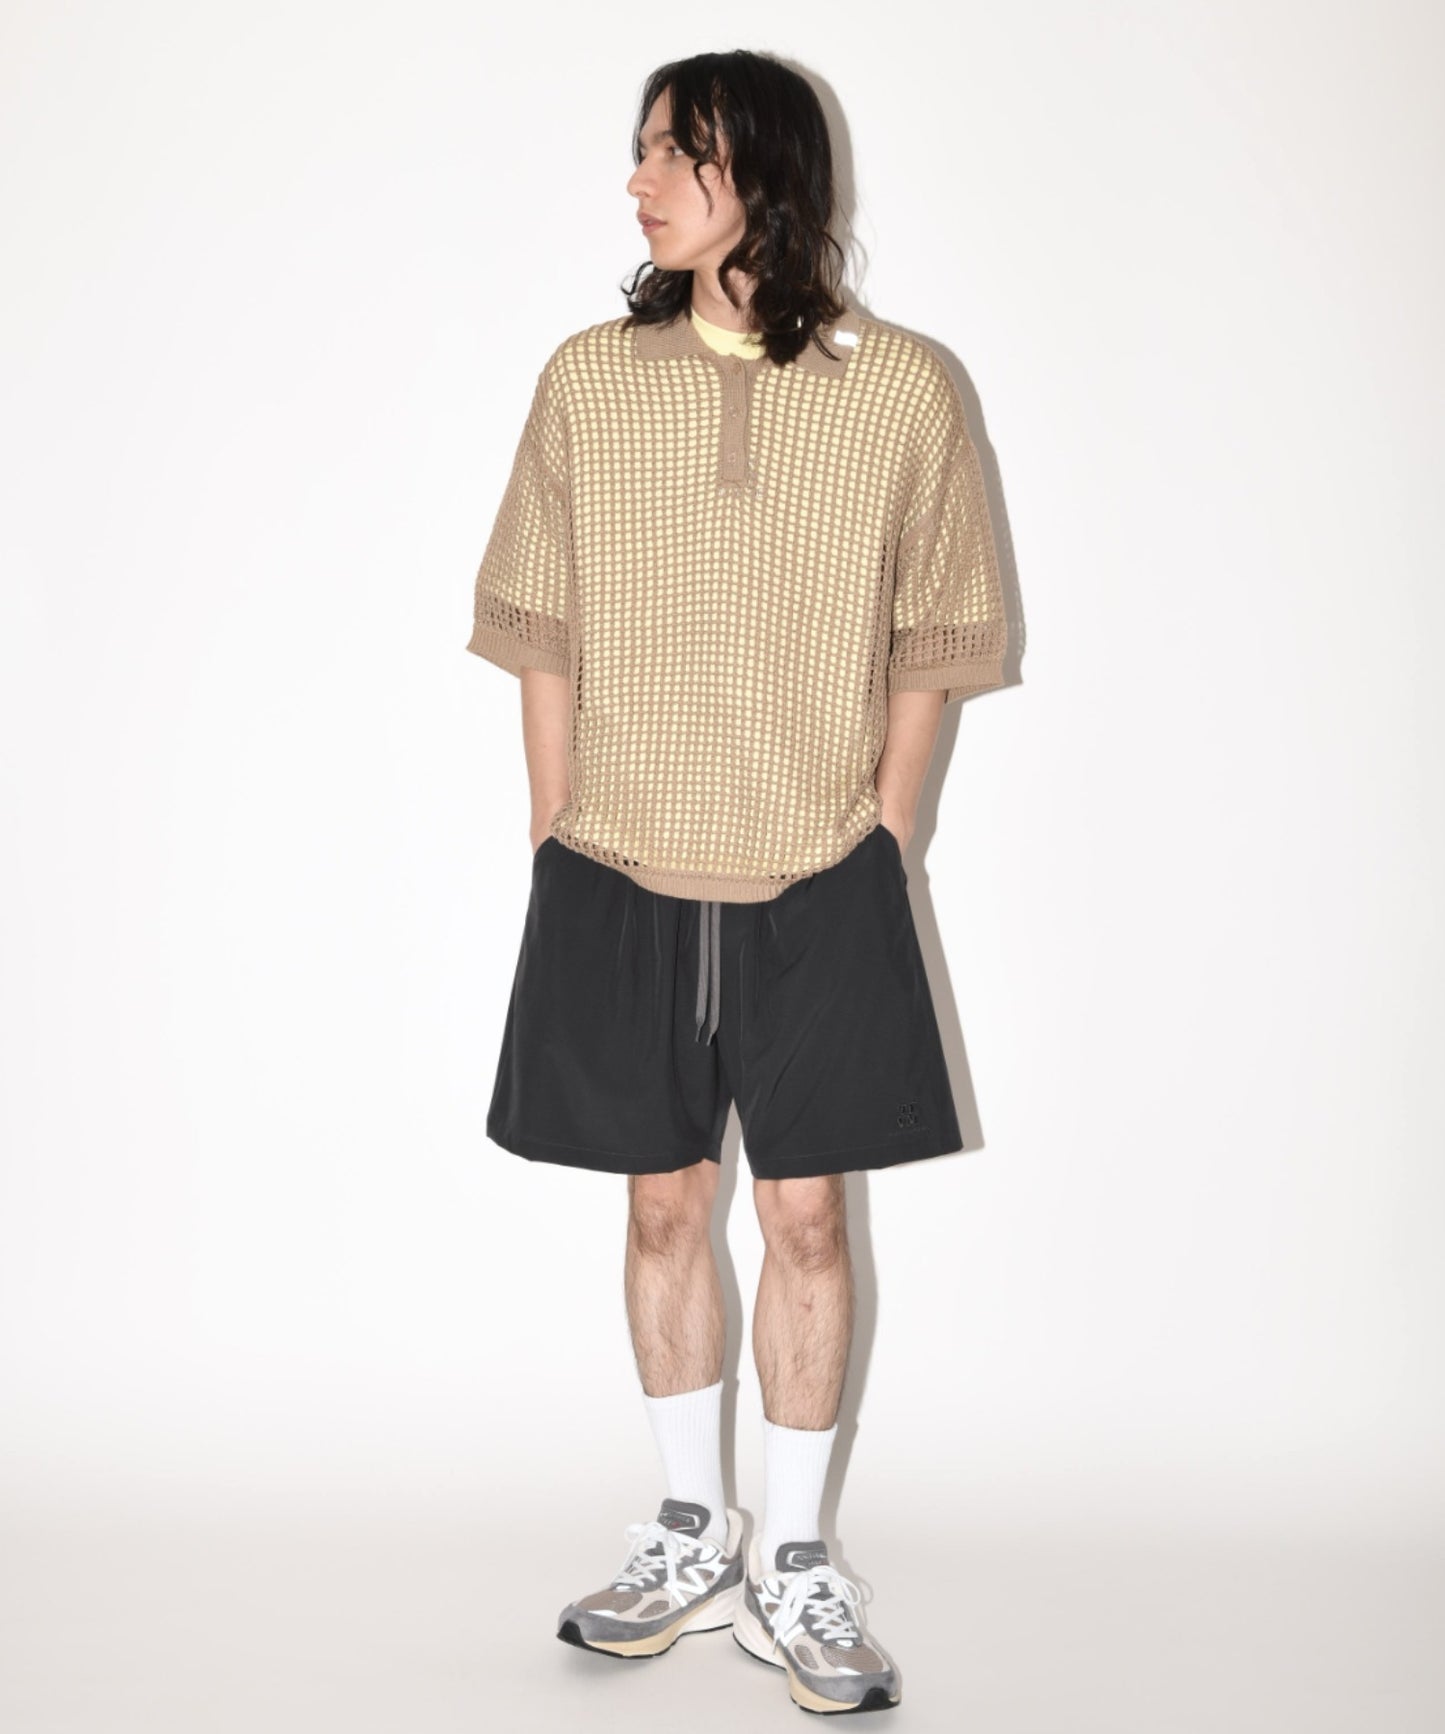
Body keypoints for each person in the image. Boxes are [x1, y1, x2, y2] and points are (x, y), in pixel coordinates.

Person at [465, 48, 1008, 1717]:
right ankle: (690, 1526)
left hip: (820, 868)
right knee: (657, 1202)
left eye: (669, 154)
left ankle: (796, 1554)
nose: (635, 183)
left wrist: (885, 830)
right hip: (619, 858)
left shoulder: (900, 386)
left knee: (805, 1215)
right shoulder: (589, 377)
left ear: (758, 174)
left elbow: (939, 632)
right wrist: (554, 820)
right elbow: (538, 619)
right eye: (637, 151)